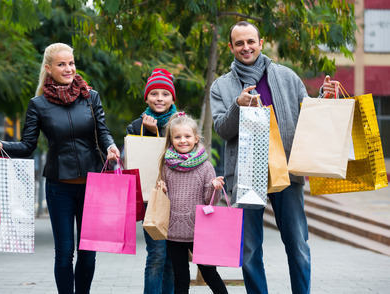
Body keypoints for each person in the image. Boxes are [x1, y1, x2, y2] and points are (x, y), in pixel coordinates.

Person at [0, 42, 120, 294]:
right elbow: (28, 146)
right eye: (61, 64)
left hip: (93, 186)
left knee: (88, 253)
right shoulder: (38, 104)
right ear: (49, 69)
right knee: (64, 253)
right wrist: (0, 145)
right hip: (59, 188)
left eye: (71, 63)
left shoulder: (90, 97)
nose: (68, 68)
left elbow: (102, 132)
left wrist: (112, 147)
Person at [210, 21, 333, 294]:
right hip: (244, 175)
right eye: (239, 43)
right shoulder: (221, 86)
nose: (246, 47)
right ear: (230, 47)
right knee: (250, 250)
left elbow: (309, 117)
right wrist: (236, 106)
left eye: (250, 41)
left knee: (298, 244)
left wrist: (325, 98)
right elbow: (221, 128)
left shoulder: (287, 77)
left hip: (287, 170)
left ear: (260, 42)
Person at [157, 112, 227, 294]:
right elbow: (163, 199)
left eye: (187, 136)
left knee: (210, 274)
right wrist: (161, 190)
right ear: (171, 139)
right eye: (177, 137)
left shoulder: (205, 166)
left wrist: (214, 187)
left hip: (199, 231)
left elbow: (210, 200)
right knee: (180, 279)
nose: (183, 141)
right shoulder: (167, 165)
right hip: (173, 232)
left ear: (196, 139)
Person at [126, 68, 177, 294]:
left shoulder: (181, 123)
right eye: (154, 93)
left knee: (173, 259)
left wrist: (160, 131)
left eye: (165, 94)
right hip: (151, 200)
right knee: (157, 254)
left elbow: (187, 153)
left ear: (172, 98)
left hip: (179, 198)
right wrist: (149, 132)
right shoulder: (135, 126)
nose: (159, 98)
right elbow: (137, 161)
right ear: (146, 97)